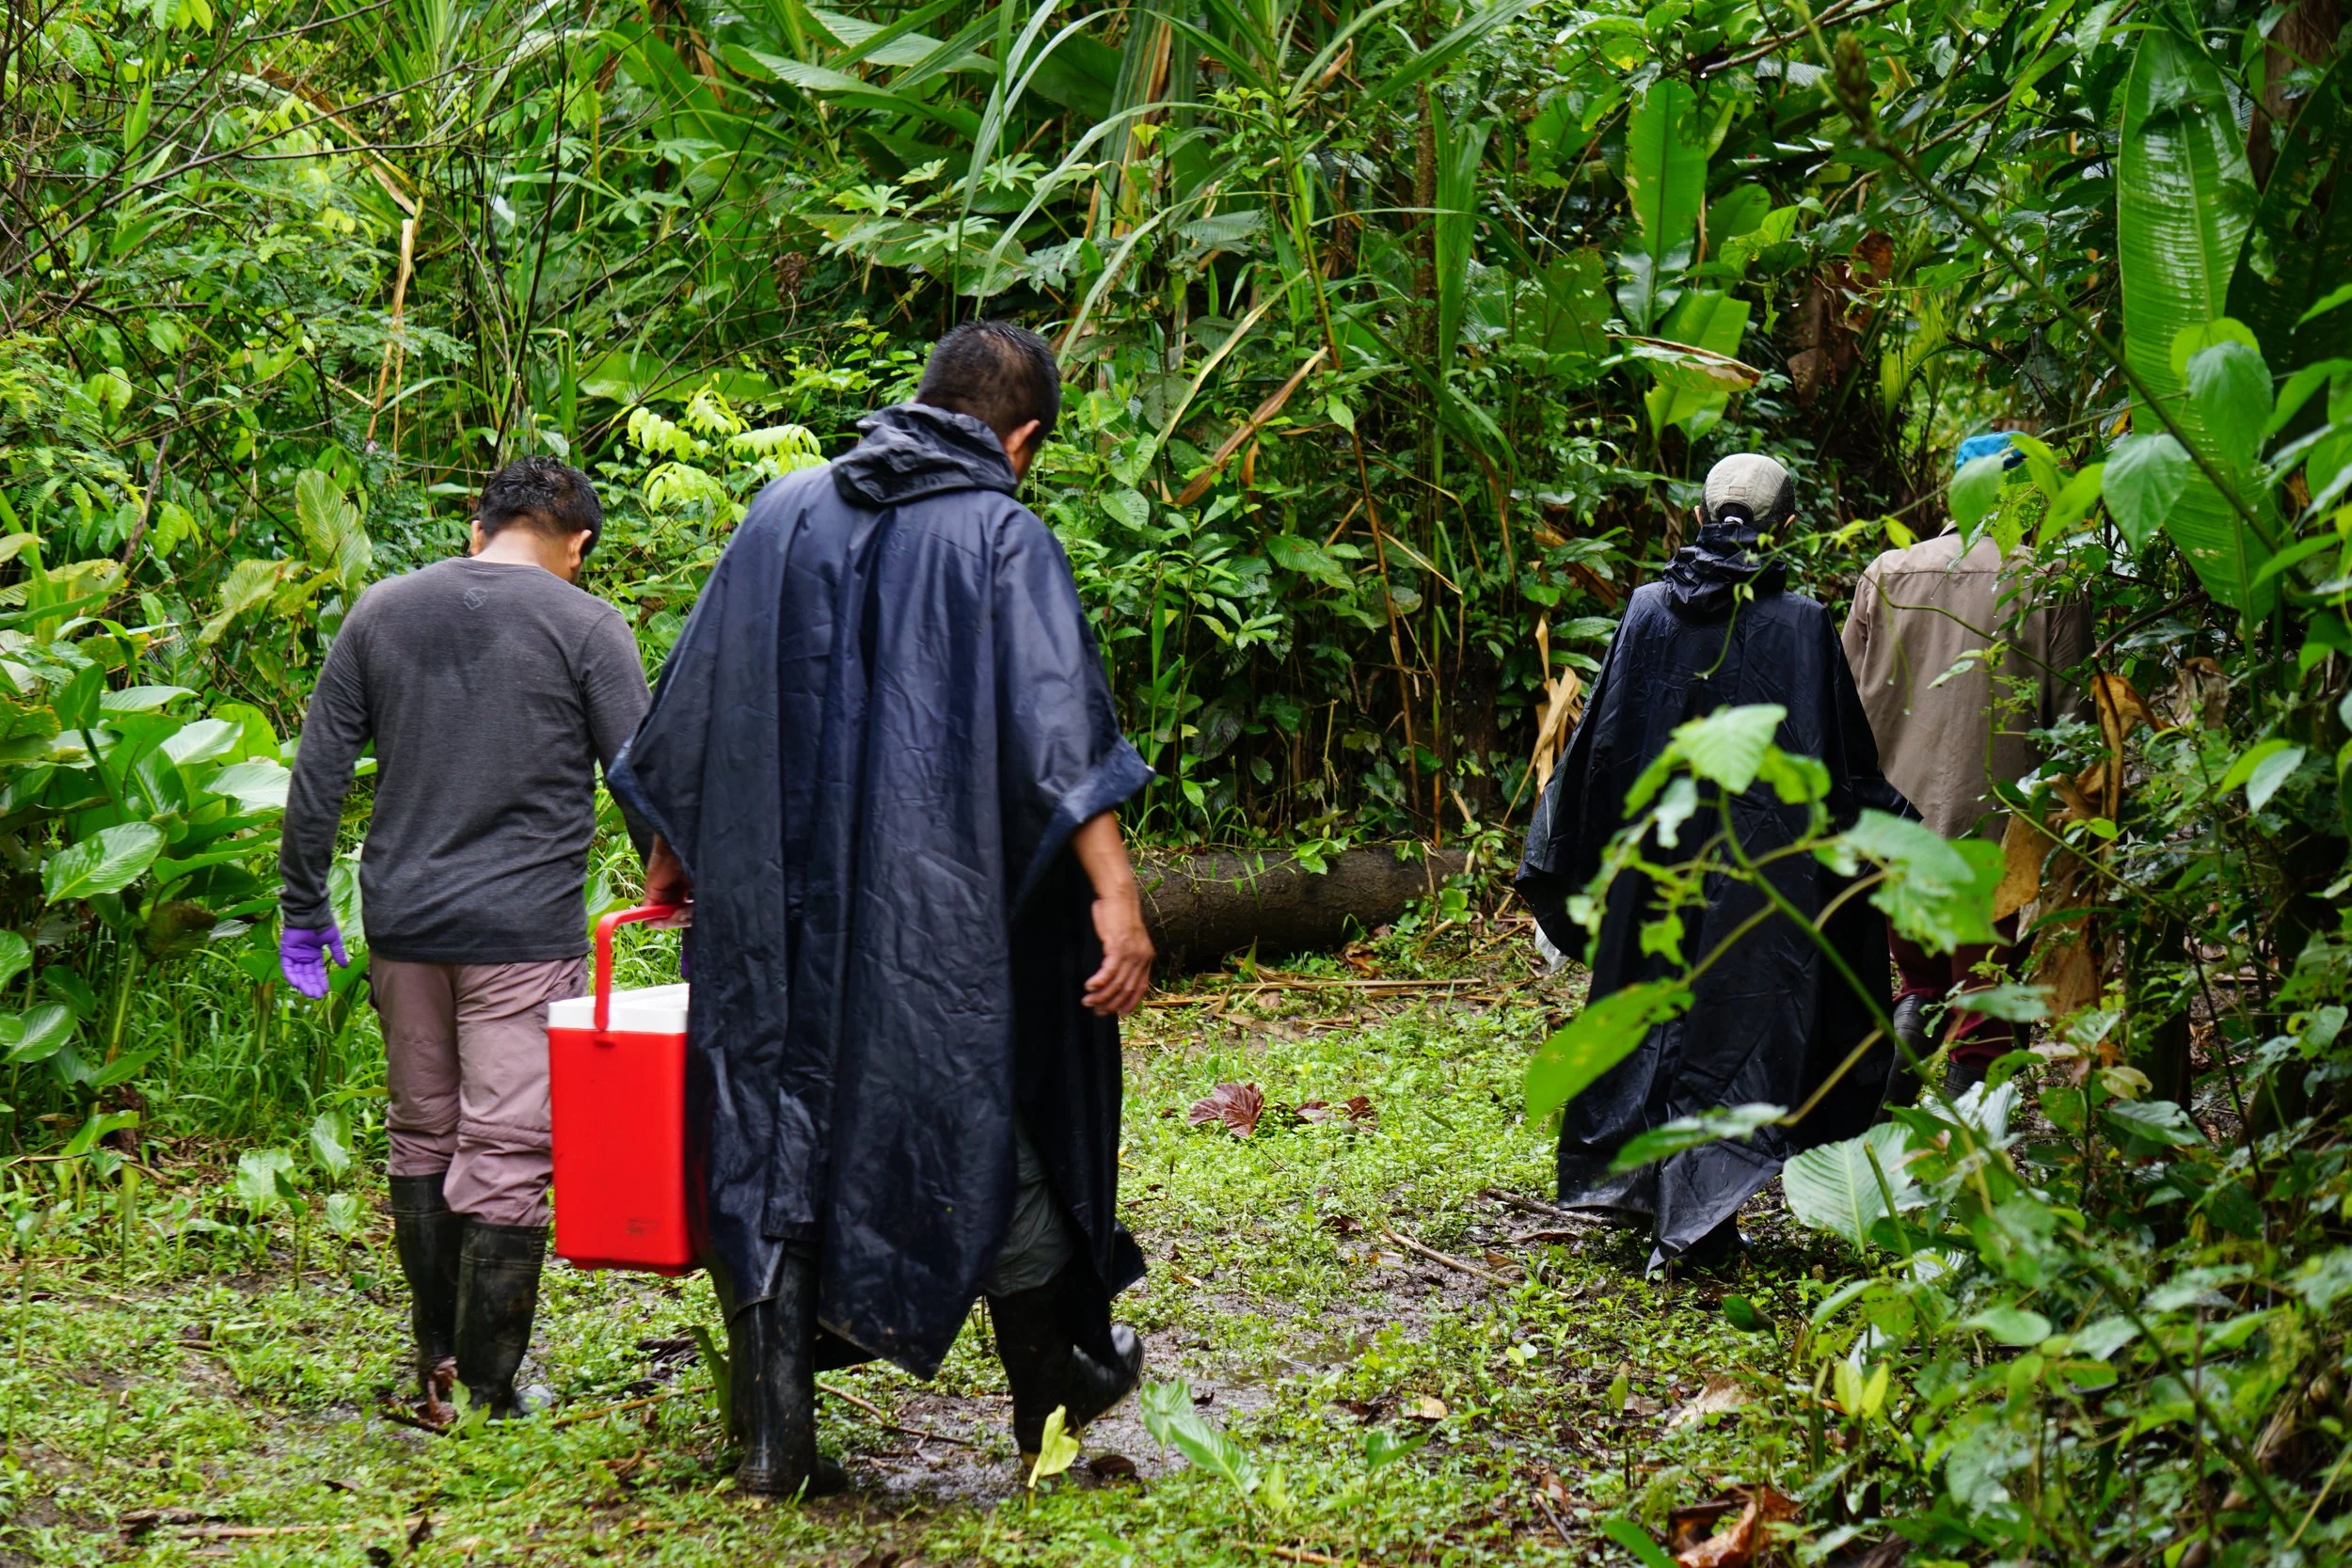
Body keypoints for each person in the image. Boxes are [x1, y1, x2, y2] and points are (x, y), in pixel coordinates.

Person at [610, 321, 1155, 1497]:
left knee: (766, 1128)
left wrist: (669, 848)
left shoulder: (778, 514)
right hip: (934, 921)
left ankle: (775, 1440)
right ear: (1021, 439)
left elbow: (690, 699)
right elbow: (1060, 736)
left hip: (769, 913)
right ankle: (1056, 1390)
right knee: (975, 1116)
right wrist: (1118, 896)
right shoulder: (1004, 536)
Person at [279, 457, 651, 1422]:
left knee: (422, 1132)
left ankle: (435, 1357)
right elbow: (642, 780)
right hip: (521, 933)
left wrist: (301, 904)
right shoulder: (587, 624)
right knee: (507, 1148)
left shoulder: (381, 611)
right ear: (577, 546)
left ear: (475, 528)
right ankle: (489, 1386)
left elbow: (320, 769)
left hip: (402, 925)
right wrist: (674, 887)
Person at [1515, 453, 1905, 1270]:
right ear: (1787, 527)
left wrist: (1574, 853)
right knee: (1741, 1029)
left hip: (1657, 866)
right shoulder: (1801, 622)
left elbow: (1602, 749)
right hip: (1762, 881)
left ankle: (1674, 1207)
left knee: (1662, 1013)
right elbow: (1842, 768)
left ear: (1698, 516)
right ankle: (1690, 1217)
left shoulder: (1648, 611)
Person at [1841, 432, 2090, 1097]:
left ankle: (1885, 1119)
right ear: (2025, 497)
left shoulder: (1888, 573)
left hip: (1895, 819)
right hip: (1998, 829)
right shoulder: (2050, 583)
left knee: (1921, 980)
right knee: (1983, 983)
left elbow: (1839, 699)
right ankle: (1968, 1153)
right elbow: (2072, 723)